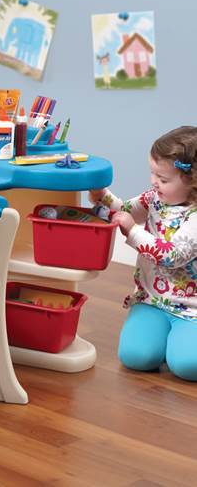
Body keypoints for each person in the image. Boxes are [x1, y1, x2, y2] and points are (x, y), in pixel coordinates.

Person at [90, 125, 197, 381]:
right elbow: (125, 209)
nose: (153, 182)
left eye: (163, 179)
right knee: (135, 357)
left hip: (191, 309)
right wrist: (102, 197)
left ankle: (178, 343)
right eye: (153, 173)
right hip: (151, 300)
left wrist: (132, 231)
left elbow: (172, 255)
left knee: (187, 366)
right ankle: (163, 341)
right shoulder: (155, 198)